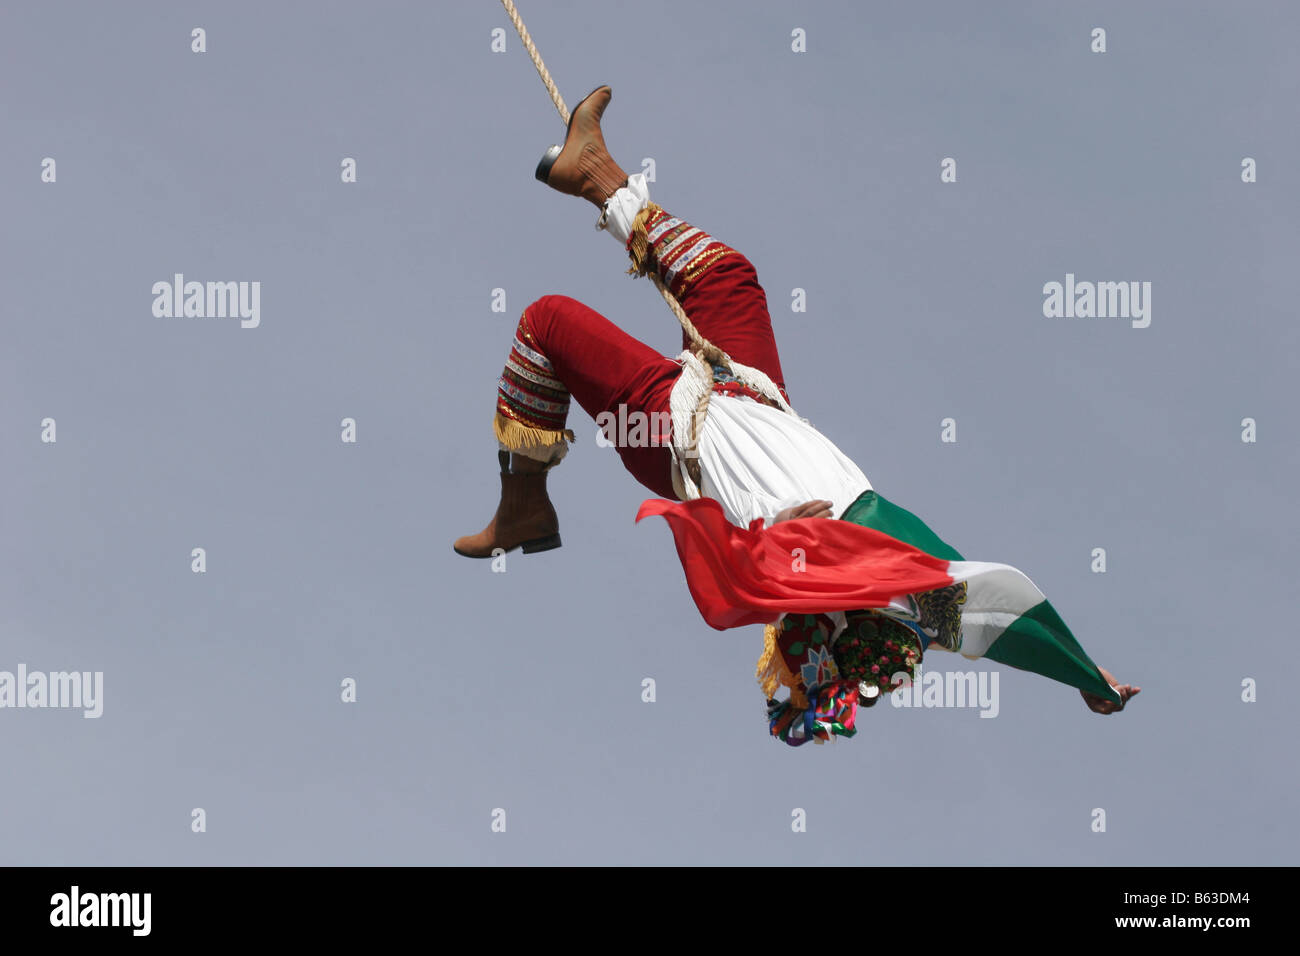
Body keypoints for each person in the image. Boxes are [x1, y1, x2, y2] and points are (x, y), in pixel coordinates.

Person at [453, 86, 1139, 744]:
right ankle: (598, 173)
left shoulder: (790, 573)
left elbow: (747, 578)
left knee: (547, 325)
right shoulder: (911, 575)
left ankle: (524, 509)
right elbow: (999, 613)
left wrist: (782, 544)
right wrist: (1084, 673)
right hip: (753, 395)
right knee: (727, 277)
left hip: (676, 433)